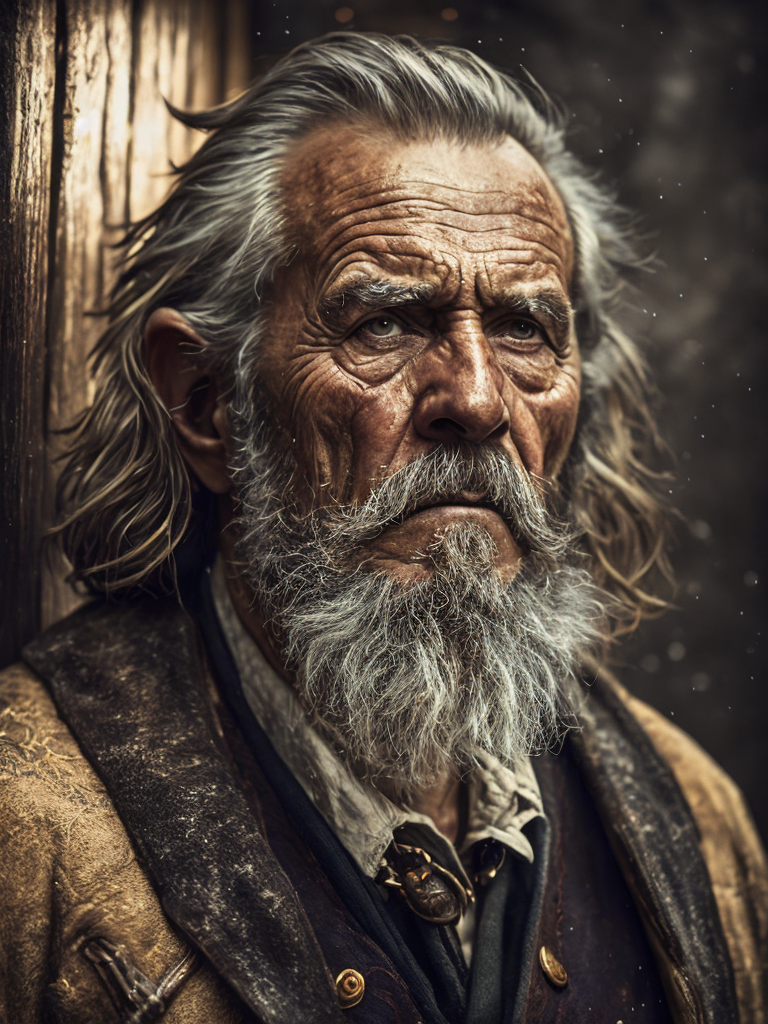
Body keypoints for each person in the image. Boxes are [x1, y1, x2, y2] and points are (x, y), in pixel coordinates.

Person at [0, 32, 765, 1024]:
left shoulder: (696, 824)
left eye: (527, 328)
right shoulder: (30, 831)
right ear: (204, 402)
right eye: (386, 323)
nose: (479, 400)